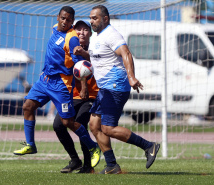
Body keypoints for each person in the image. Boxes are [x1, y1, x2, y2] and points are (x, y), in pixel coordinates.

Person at [13, 6, 101, 169]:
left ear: (72, 22)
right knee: (27, 106)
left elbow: (80, 65)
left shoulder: (72, 38)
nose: (65, 22)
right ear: (58, 17)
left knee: (67, 122)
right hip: (45, 80)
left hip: (61, 84)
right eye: (63, 18)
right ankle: (31, 144)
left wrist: (83, 85)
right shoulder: (55, 28)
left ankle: (93, 146)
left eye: (68, 20)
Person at [88, 5, 160, 174]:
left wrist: (131, 77)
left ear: (105, 18)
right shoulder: (97, 37)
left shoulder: (112, 34)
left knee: (107, 128)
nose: (91, 21)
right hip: (104, 88)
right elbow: (100, 58)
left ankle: (149, 146)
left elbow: (126, 54)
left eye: (95, 18)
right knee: (94, 125)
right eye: (90, 18)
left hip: (115, 86)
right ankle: (112, 165)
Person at [53, 20, 99, 174]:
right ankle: (75, 160)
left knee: (80, 124)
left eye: (85, 29)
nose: (81, 32)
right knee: (58, 125)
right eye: (78, 29)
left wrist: (83, 54)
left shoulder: (95, 49)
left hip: (91, 96)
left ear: (90, 33)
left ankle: (88, 166)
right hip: (72, 96)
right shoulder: (69, 49)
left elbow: (97, 62)